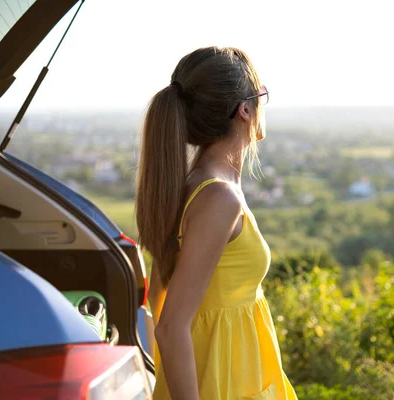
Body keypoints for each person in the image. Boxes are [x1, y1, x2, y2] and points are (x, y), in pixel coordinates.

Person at [136, 46, 297, 400]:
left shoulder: (193, 187)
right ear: (244, 109)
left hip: (232, 375)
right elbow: (171, 327)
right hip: (221, 384)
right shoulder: (218, 199)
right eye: (261, 96)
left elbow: (160, 302)